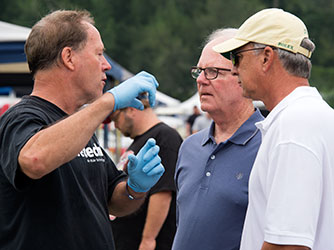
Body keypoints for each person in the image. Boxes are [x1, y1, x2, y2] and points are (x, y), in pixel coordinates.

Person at [0, 10, 165, 250]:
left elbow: (113, 201)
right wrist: (108, 102)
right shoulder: (21, 117)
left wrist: (135, 188)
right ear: (69, 57)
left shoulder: (79, 124)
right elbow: (34, 159)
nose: (106, 65)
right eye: (99, 53)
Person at [213, 8, 334, 250]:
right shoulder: (315, 116)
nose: (234, 68)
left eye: (237, 57)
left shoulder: (295, 125)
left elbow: (288, 243)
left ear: (266, 58)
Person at [172, 28, 264, 250]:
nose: (201, 80)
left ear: (243, 77)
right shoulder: (189, 147)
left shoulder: (268, 144)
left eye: (213, 71)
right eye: (199, 71)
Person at [109, 96, 183, 250]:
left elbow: (163, 193)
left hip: (144, 242)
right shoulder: (140, 140)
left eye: (116, 118)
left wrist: (148, 239)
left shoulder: (164, 137)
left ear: (131, 109)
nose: (115, 125)